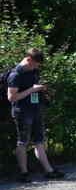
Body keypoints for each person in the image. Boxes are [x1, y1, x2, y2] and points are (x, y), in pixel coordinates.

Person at [6, 48, 62, 182]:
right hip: (22, 111)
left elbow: (34, 88)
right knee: (23, 142)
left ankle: (49, 171)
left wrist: (41, 90)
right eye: (36, 64)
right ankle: (23, 173)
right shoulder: (15, 75)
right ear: (29, 60)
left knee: (39, 141)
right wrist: (32, 89)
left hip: (35, 109)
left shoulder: (34, 70)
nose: (37, 67)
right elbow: (11, 97)